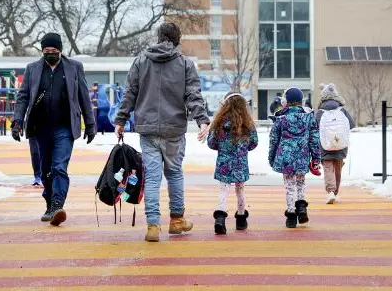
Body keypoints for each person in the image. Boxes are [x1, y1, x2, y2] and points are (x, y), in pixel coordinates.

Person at [114, 22, 210, 242]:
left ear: (158, 38)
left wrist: (121, 120)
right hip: (174, 129)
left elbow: (129, 93)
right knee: (174, 173)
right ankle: (176, 220)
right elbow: (193, 95)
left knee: (153, 177)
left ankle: (153, 225)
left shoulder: (140, 61)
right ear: (177, 39)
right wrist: (202, 121)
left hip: (147, 129)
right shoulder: (185, 64)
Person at [13, 33, 96, 226]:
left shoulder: (74, 67)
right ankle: (50, 203)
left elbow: (83, 96)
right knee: (45, 170)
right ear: (42, 51)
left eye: (54, 51)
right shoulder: (33, 69)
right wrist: (17, 121)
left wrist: (90, 124)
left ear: (60, 50)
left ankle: (58, 204)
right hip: (40, 127)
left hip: (64, 127)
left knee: (59, 167)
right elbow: (23, 96)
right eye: (47, 51)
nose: (50, 54)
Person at [268, 87, 321, 228]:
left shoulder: (280, 118)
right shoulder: (309, 117)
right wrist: (316, 158)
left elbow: (273, 140)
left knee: (289, 186)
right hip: (302, 156)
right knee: (301, 182)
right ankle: (302, 208)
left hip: (285, 157)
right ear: (301, 101)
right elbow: (314, 139)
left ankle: (291, 215)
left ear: (286, 101)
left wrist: (272, 157)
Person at [207, 92, 258, 235]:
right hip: (240, 162)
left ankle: (220, 219)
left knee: (223, 190)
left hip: (224, 162)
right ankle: (241, 219)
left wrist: (222, 148)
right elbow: (254, 142)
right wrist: (243, 148)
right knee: (240, 190)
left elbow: (211, 143)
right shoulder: (247, 123)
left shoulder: (219, 123)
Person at [316, 83, 355, 204]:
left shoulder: (320, 112)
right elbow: (352, 124)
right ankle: (336, 191)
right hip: (341, 145)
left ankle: (330, 191)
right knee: (338, 169)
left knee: (328, 168)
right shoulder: (342, 110)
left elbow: (313, 127)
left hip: (325, 146)